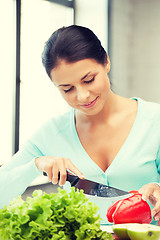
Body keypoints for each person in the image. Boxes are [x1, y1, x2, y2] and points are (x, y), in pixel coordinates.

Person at [0, 25, 160, 225]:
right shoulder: (51, 133)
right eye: (67, 89)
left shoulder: (155, 121)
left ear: (106, 62)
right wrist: (35, 165)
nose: (82, 96)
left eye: (89, 80)